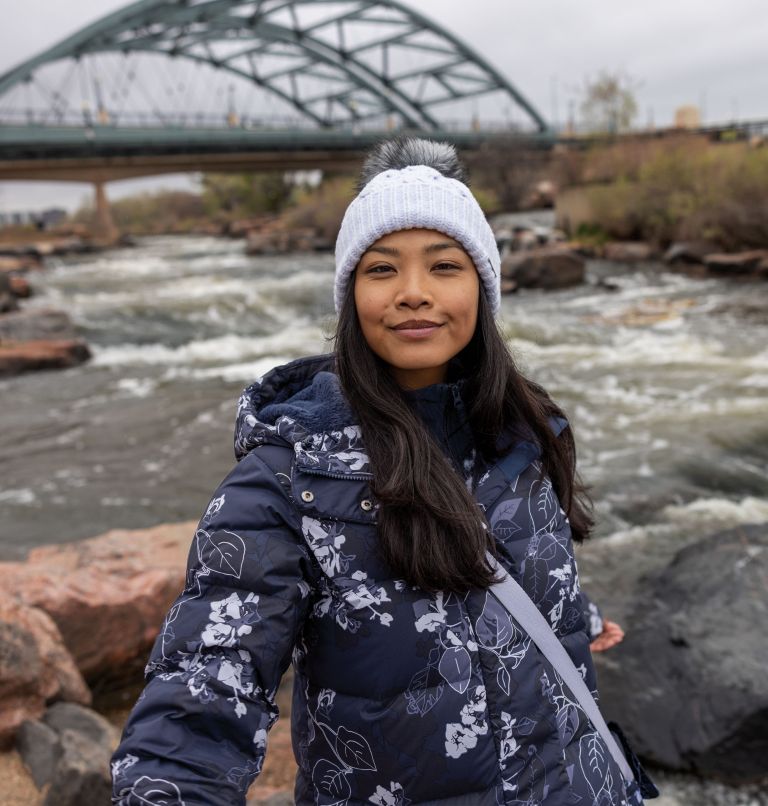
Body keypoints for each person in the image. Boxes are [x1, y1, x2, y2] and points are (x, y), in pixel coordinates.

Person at [111, 138, 645, 805]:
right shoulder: (288, 478)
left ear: (482, 286)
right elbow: (204, 685)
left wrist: (574, 613)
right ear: (350, 295)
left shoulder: (524, 430)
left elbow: (502, 567)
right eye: (382, 269)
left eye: (445, 266)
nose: (414, 294)